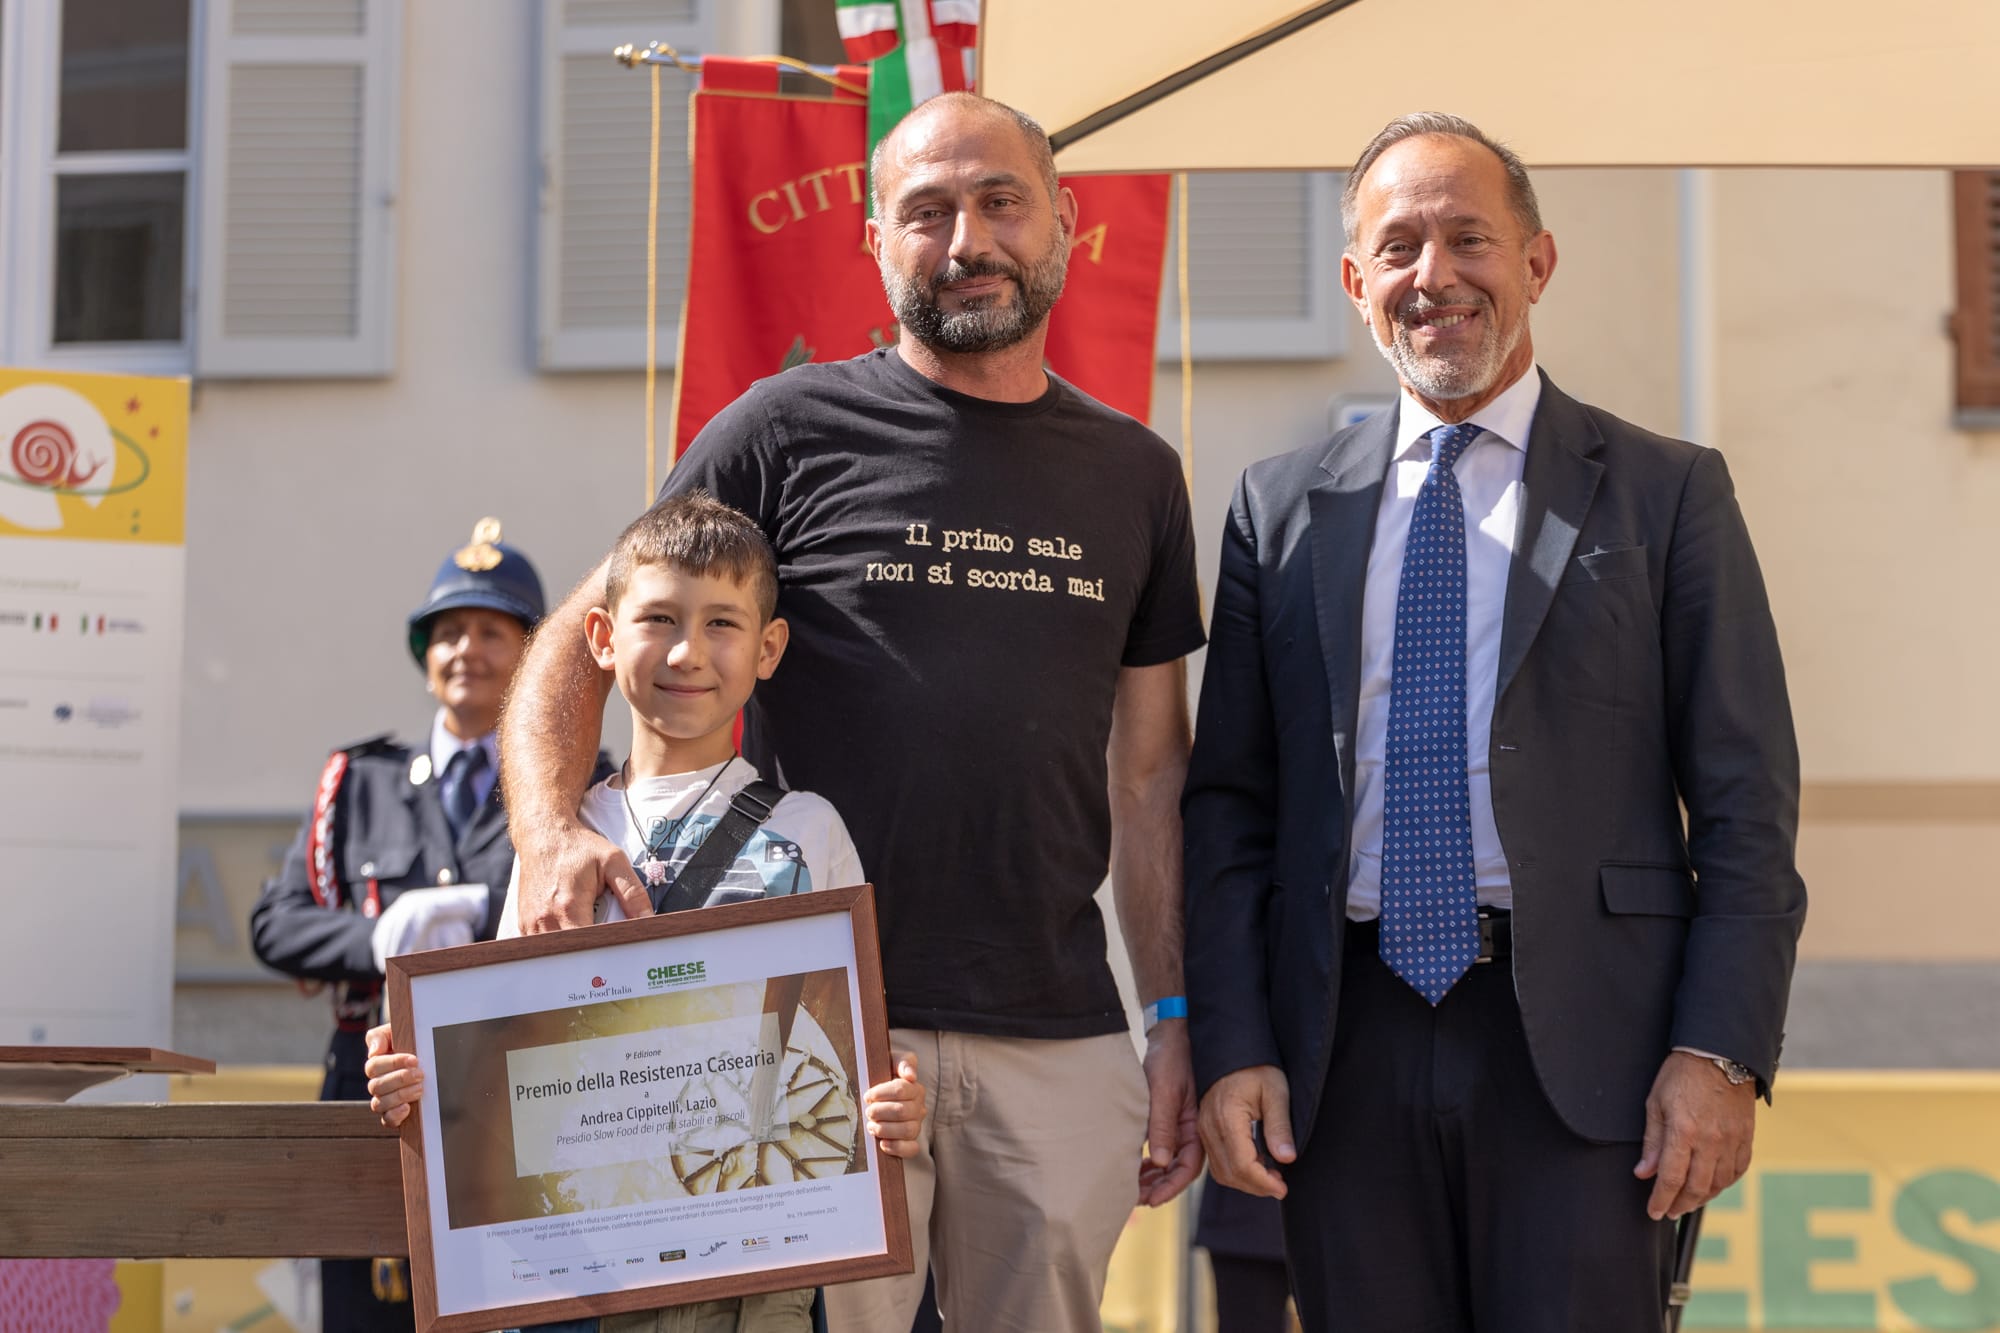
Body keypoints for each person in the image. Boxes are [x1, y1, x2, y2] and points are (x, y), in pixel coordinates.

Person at [496, 92, 1208, 1332]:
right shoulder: (782, 428)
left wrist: (1175, 1018)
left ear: (1065, 224)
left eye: (999, 202)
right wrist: (549, 832)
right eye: (924, 212)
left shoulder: (1137, 473)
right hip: (798, 1033)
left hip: (1053, 1030)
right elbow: (581, 630)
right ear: (872, 242)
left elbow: (1149, 773)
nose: (964, 241)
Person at [1182, 113, 1808, 1333]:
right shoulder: (1277, 509)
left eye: (1468, 237)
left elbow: (1744, 800)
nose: (1435, 275)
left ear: (1535, 261)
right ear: (1358, 283)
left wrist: (1719, 1051)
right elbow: (1230, 812)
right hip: (1340, 1046)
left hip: (1585, 1056)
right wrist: (1233, 1041)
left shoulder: (1667, 492)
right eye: (1398, 246)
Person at [364, 493, 929, 1333]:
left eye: (722, 624)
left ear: (768, 647)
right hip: (579, 1268)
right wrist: (415, 1073)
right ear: (600, 637)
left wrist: (894, 1102)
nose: (686, 650)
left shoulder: (807, 832)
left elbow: (846, 1055)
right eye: (658, 617)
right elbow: (490, 1055)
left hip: (753, 1264)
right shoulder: (557, 843)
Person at [250, 518, 604, 1333]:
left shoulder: (577, 784)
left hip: (511, 1087)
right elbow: (277, 920)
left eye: (492, 629)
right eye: (447, 632)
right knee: (368, 1314)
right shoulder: (360, 779)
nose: (465, 650)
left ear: (536, 656)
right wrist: (374, 941)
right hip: (370, 1088)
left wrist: (484, 917)